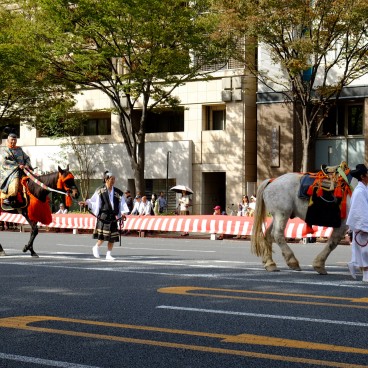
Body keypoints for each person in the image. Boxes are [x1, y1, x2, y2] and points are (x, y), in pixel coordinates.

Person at [79, 171, 129, 261]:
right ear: (106, 179)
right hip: (104, 216)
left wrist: (123, 213)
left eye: (114, 179)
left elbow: (122, 203)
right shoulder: (100, 190)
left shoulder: (118, 192)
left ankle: (108, 254)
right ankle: (96, 247)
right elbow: (93, 201)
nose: (113, 181)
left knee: (112, 237)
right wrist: (86, 203)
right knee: (103, 236)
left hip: (113, 216)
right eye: (111, 179)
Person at [346, 164, 368, 282]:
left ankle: (354, 264)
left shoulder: (364, 189)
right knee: (365, 251)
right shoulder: (360, 191)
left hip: (363, 224)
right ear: (363, 176)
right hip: (362, 225)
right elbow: (360, 211)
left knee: (364, 251)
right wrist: (365, 226)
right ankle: (365, 276)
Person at [0, 133, 33, 207]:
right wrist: (18, 166)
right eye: (12, 140)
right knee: (15, 181)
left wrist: (27, 165)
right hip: (11, 171)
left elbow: (26, 158)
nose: (13, 141)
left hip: (23, 170)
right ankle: (9, 198)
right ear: (8, 140)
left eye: (15, 140)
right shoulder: (4, 150)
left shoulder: (19, 149)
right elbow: (4, 161)